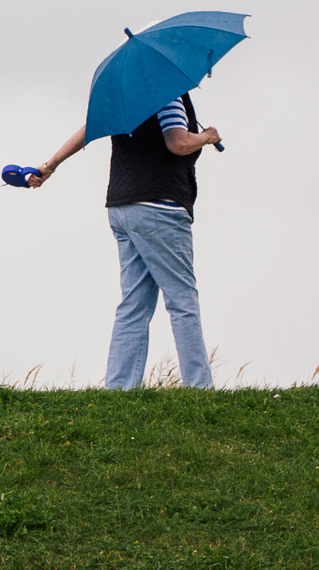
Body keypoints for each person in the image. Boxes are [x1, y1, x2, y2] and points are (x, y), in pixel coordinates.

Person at [27, 96, 222, 389]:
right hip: (160, 207)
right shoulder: (167, 94)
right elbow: (178, 143)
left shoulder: (122, 95)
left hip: (122, 207)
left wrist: (50, 165)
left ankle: (119, 387)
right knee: (182, 299)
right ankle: (199, 386)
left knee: (134, 303)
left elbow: (88, 130)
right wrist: (206, 137)